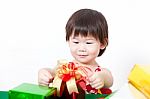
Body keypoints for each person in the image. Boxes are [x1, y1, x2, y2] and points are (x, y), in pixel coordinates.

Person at [38, 8, 113, 94]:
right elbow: (52, 72)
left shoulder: (98, 72)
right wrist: (44, 73)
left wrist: (101, 77)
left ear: (102, 43)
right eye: (76, 42)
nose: (81, 48)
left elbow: (109, 79)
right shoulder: (66, 68)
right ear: (68, 41)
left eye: (88, 43)